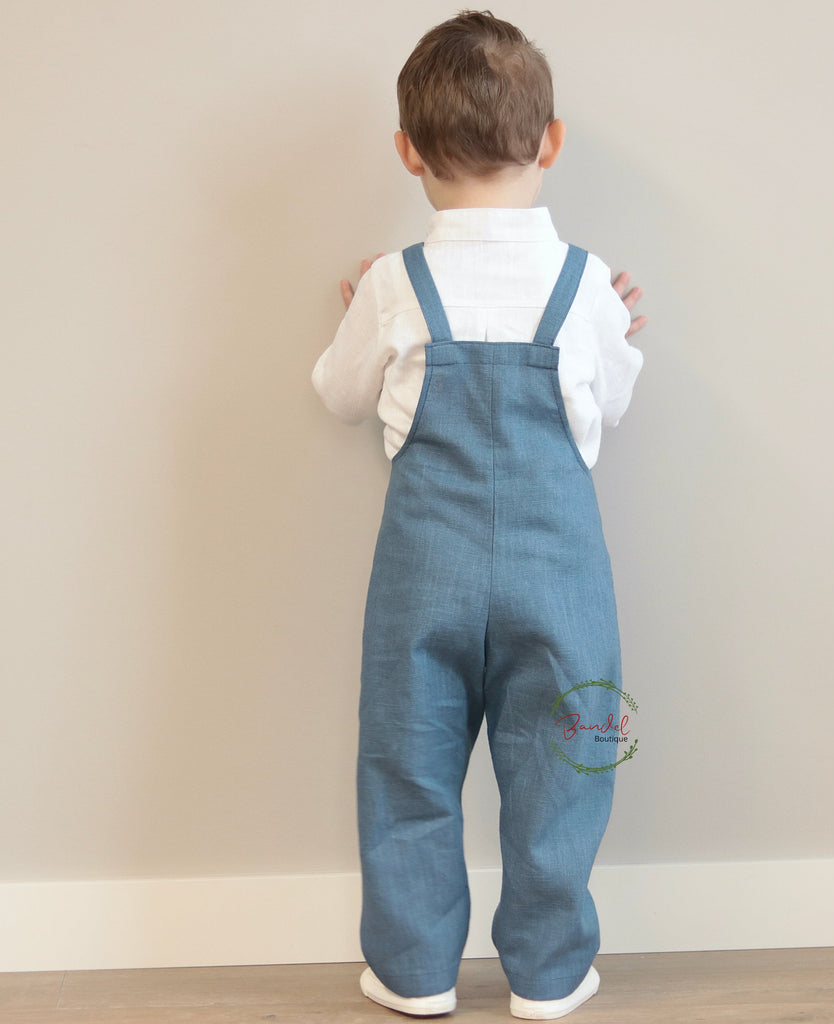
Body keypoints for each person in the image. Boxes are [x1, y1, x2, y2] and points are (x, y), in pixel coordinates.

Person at [312, 11, 645, 1019]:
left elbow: (338, 392)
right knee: (570, 759)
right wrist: (613, 327)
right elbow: (612, 406)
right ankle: (549, 972)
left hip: (426, 576)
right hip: (560, 576)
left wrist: (357, 317)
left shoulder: (390, 285)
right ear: (549, 141)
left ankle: (413, 970)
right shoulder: (586, 283)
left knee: (404, 760)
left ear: (408, 151)